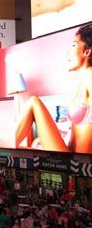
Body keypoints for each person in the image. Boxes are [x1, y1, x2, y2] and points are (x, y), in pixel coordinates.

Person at [16, 24, 92, 152]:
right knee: (28, 146)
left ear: (87, 51)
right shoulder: (81, 83)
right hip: (69, 154)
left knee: (33, 102)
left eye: (74, 45)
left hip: (77, 162)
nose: (68, 52)